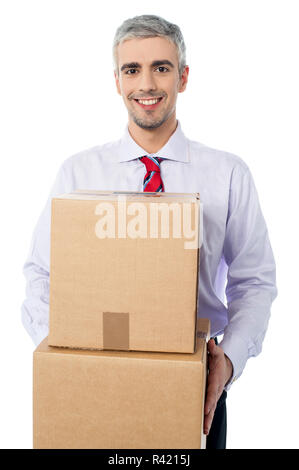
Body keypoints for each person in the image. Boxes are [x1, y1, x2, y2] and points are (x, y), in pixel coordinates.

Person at [21, 14, 277, 449]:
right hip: (91, 378)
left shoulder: (228, 174)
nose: (147, 84)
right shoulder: (78, 173)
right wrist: (65, 354)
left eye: (161, 67)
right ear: (117, 81)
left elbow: (254, 281)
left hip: (194, 381)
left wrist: (227, 363)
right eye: (131, 69)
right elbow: (41, 275)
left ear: (183, 77)